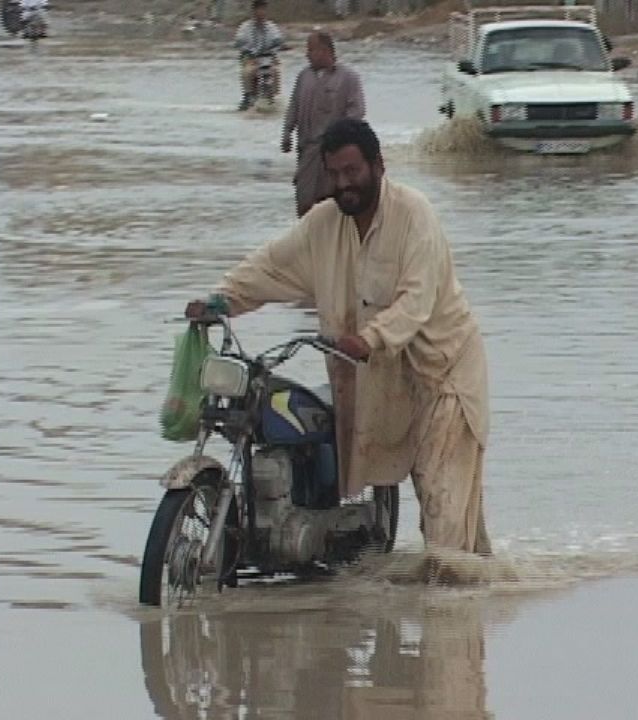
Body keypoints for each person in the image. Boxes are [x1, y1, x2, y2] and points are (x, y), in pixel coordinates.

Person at [186, 118, 491, 555]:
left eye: (353, 172)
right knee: (450, 519)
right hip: (375, 376)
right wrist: (221, 300)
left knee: (444, 511)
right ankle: (474, 592)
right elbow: (271, 266)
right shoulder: (323, 224)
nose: (344, 184)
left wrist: (369, 337)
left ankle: (455, 606)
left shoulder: (414, 214)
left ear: (378, 166)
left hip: (443, 375)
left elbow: (416, 300)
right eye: (335, 175)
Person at [281, 31, 365, 217]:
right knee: (304, 203)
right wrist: (287, 132)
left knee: (332, 205)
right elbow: (294, 106)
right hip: (307, 152)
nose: (307, 54)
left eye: (311, 49)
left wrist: (342, 138)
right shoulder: (304, 76)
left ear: (325, 50)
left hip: (334, 155)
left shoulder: (348, 78)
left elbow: (356, 112)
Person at [233, 0, 284, 111]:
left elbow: (278, 42)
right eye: (258, 10)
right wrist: (251, 57)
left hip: (268, 58)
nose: (261, 13)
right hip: (250, 58)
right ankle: (248, 96)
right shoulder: (244, 28)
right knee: (247, 71)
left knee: (275, 70)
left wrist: (281, 47)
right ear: (253, 11)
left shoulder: (272, 27)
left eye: (263, 10)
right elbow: (239, 44)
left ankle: (272, 96)